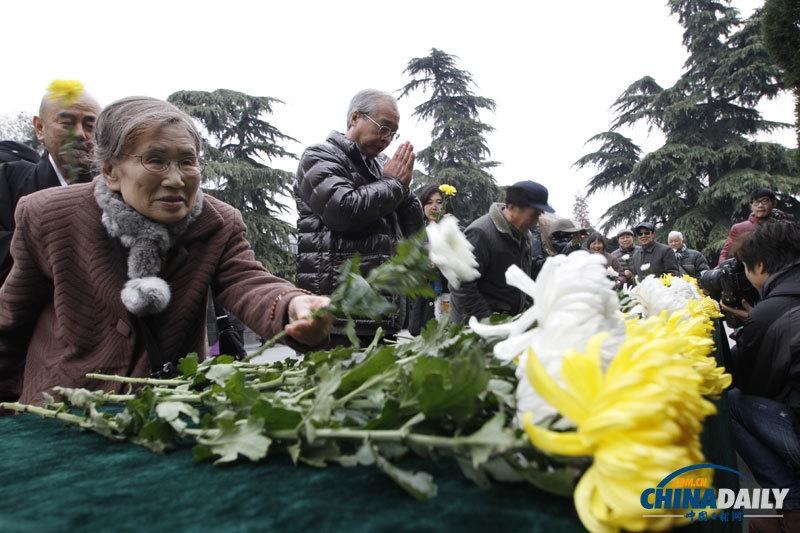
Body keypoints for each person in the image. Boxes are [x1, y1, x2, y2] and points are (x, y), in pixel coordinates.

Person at [0, 96, 332, 406]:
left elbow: (247, 282)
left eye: (187, 162)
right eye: (155, 161)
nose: (175, 179)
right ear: (111, 171)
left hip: (167, 410)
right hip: (60, 410)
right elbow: (11, 323)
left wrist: (293, 305)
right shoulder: (47, 216)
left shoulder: (217, 223)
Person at [294, 89, 423, 345]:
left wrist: (404, 190)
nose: (387, 139)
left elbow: (414, 230)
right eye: (383, 128)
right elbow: (342, 211)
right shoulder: (319, 156)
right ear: (355, 118)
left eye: (393, 133)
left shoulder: (382, 167)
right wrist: (393, 183)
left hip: (382, 311)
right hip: (337, 313)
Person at [719, 221, 800, 532]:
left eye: (745, 268)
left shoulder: (770, 313)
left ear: (761, 266)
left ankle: (791, 506)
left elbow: (752, 382)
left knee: (729, 401)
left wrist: (752, 326)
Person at [0, 82, 101, 285]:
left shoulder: (112, 187)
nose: (80, 134)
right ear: (40, 128)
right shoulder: (8, 178)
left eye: (90, 127)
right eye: (67, 123)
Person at [450, 180, 554, 324]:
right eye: (533, 214)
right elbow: (460, 284)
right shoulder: (481, 233)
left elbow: (522, 272)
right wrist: (486, 324)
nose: (536, 221)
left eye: (539, 214)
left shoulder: (523, 235)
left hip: (505, 323)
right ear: (512, 207)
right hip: (477, 326)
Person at [408, 184, 454, 335]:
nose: (434, 206)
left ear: (445, 207)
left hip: (448, 299)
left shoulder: (454, 233)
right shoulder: (416, 236)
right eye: (429, 202)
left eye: (439, 202)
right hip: (423, 303)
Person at [719, 187, 787, 264]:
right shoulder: (740, 228)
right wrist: (723, 267)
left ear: (774, 203)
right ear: (751, 206)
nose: (760, 205)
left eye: (764, 201)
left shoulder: (786, 227)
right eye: (756, 202)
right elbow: (725, 254)